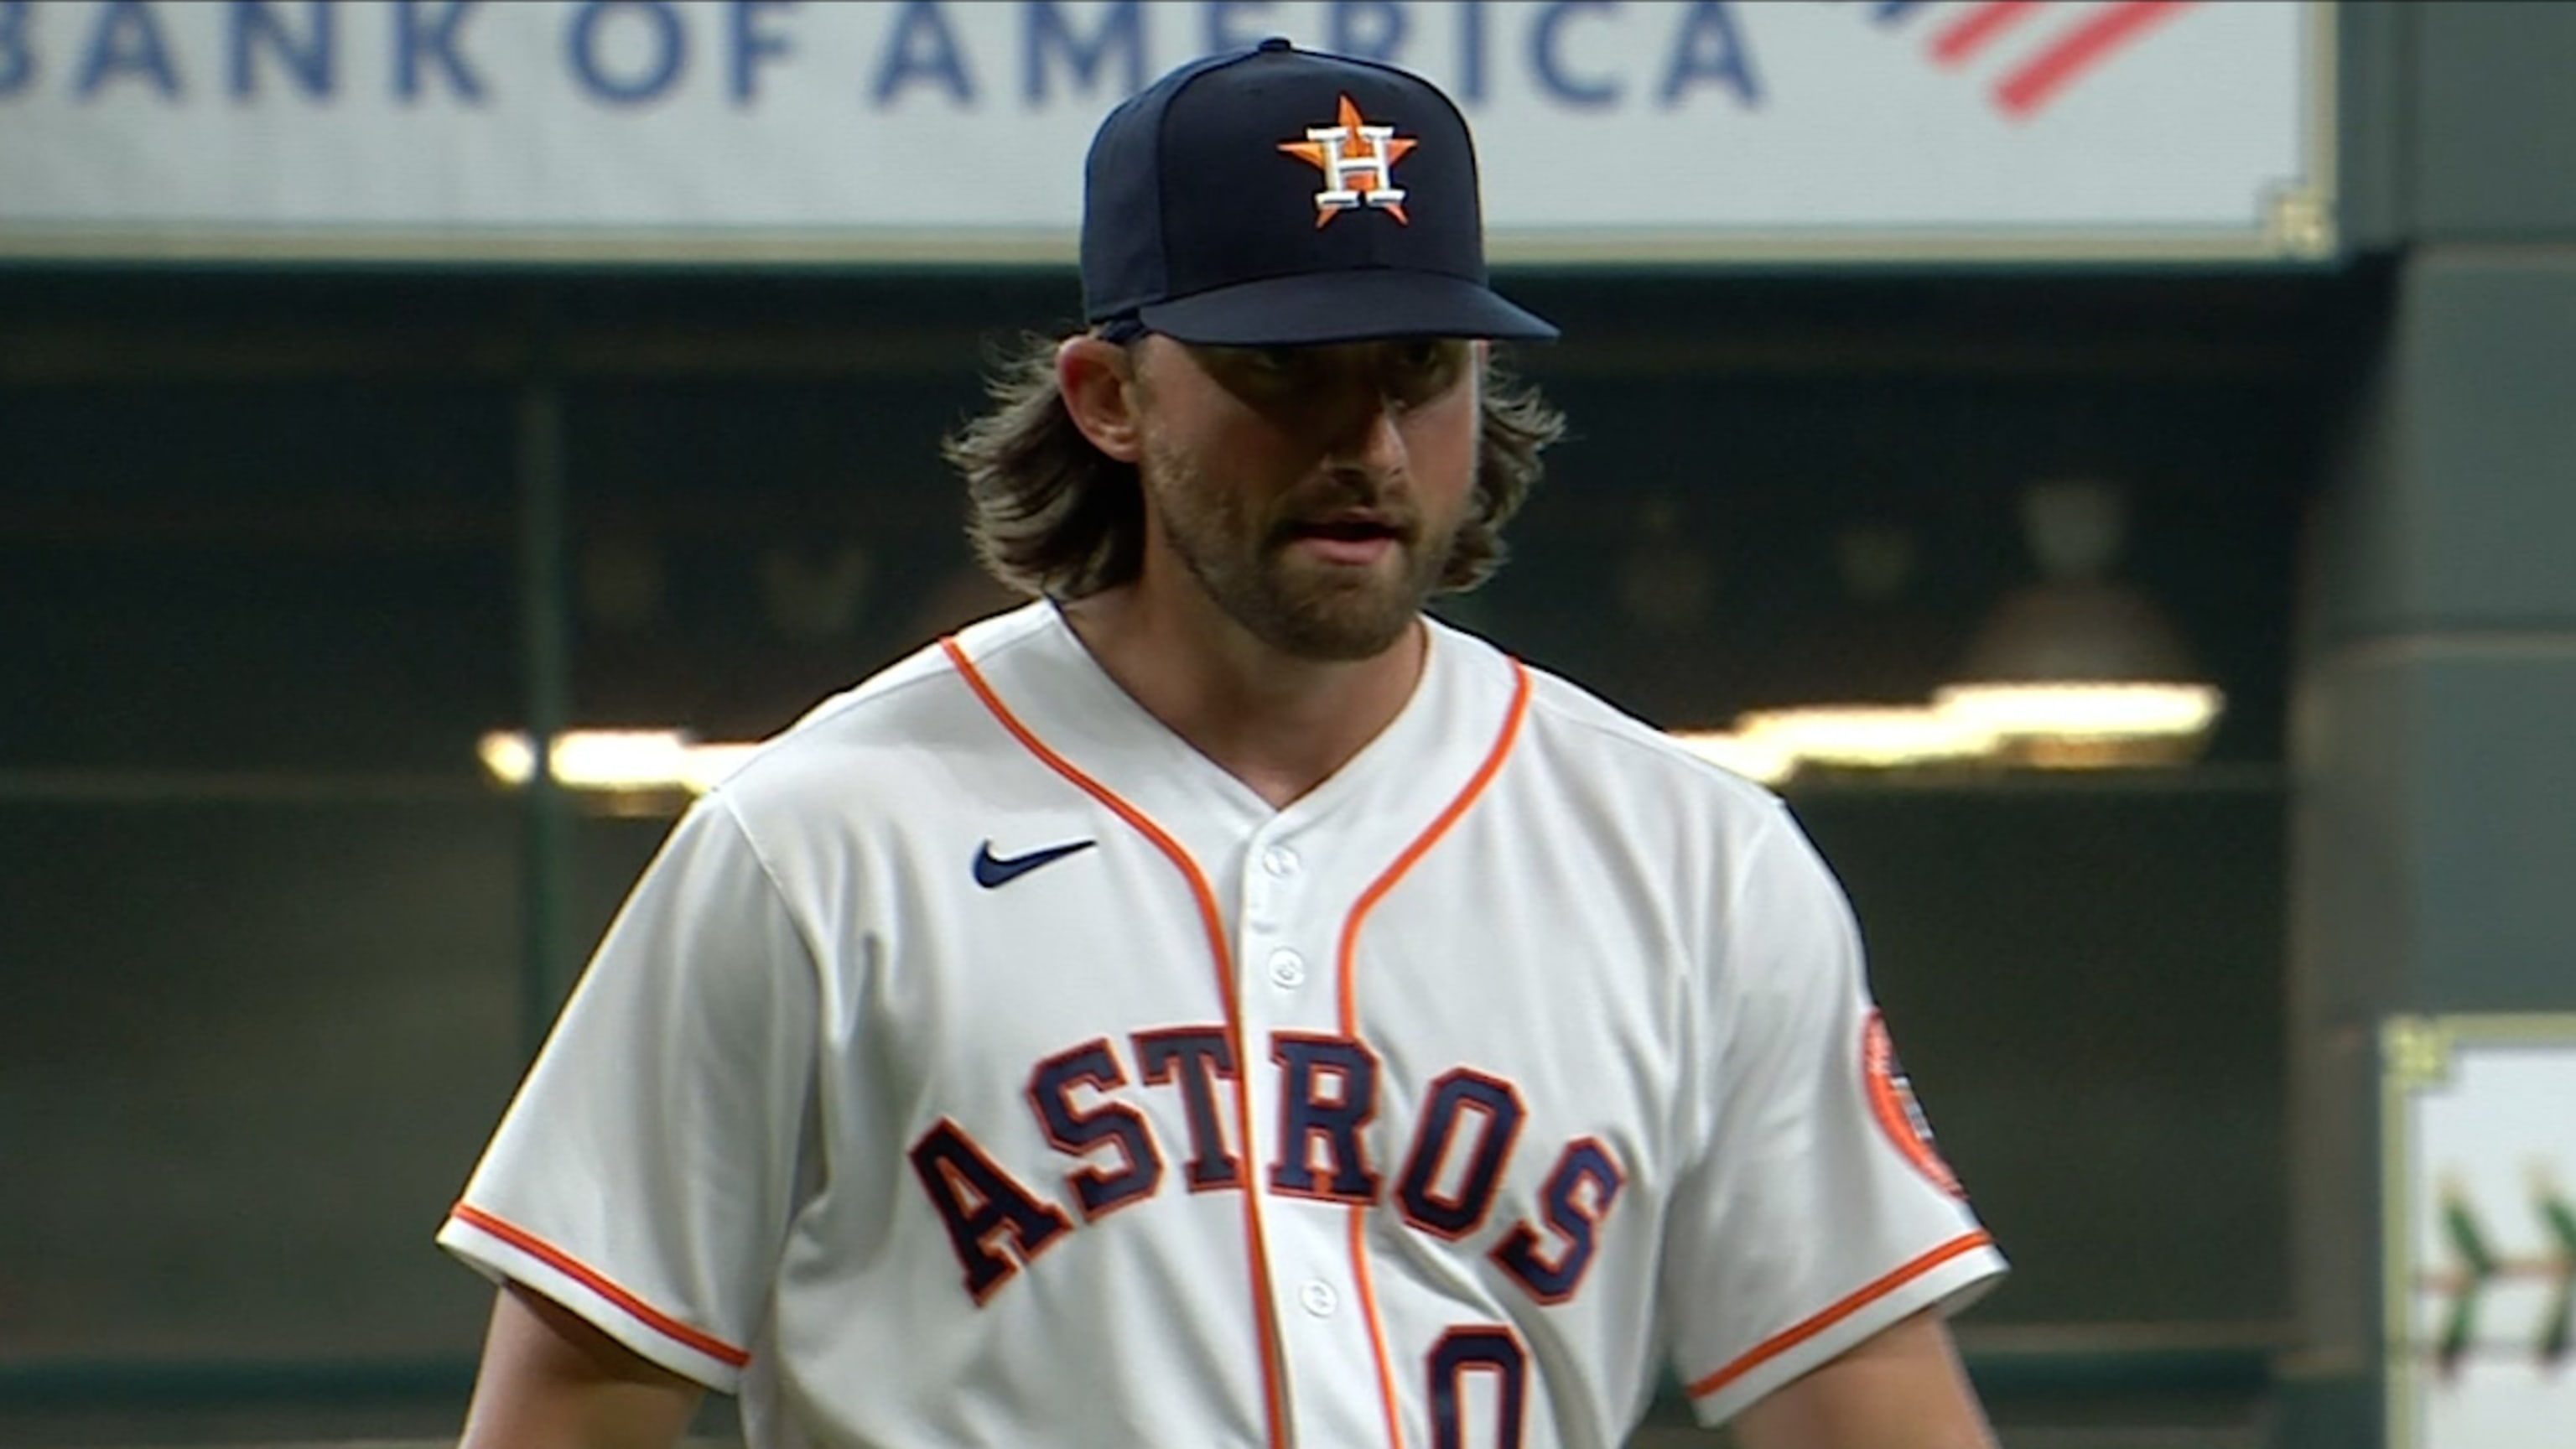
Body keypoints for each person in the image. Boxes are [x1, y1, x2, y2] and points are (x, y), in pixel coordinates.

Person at [439, 38, 2007, 1449]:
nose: (1368, 445)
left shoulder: (1692, 859)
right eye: (1284, 371)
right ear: (1109, 395)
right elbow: (578, 1394)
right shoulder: (820, 840)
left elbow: (1858, 1396)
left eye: (1420, 372)